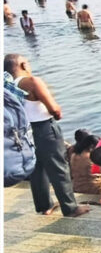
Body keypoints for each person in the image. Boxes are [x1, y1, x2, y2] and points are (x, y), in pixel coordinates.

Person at [4, 54, 90, 217]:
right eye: (28, 64)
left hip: (23, 132)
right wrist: (57, 114)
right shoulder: (32, 82)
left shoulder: (6, 86)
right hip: (44, 128)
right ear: (23, 65)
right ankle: (70, 208)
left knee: (35, 168)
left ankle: (44, 206)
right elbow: (54, 109)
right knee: (59, 168)